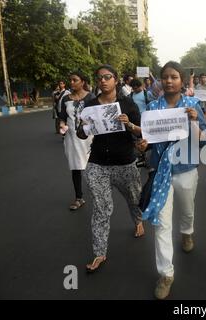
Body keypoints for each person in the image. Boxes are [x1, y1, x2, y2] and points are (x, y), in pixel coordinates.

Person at [135, 61, 206, 300]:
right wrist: (144, 144)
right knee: (162, 224)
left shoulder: (193, 105)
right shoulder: (153, 108)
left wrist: (195, 121)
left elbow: (204, 140)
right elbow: (149, 139)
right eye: (165, 77)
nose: (168, 81)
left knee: (187, 211)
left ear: (182, 81)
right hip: (161, 173)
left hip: (186, 168)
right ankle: (166, 273)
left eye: (174, 77)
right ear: (160, 81)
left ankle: (187, 232)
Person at [76, 65, 145, 273]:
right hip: (98, 164)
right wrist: (83, 127)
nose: (103, 81)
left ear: (115, 80)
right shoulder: (89, 106)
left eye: (108, 77)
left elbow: (141, 134)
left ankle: (138, 220)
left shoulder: (128, 104)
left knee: (134, 199)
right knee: (101, 208)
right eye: (100, 78)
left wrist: (129, 124)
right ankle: (99, 252)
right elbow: (81, 134)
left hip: (125, 163)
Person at [58, 71, 95, 210]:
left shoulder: (91, 97)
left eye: (75, 80)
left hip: (88, 138)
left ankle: (98, 194)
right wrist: (62, 125)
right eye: (70, 80)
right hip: (72, 138)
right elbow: (62, 116)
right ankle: (79, 198)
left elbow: (95, 117)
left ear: (83, 82)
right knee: (75, 167)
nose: (71, 82)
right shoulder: (66, 99)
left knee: (91, 166)